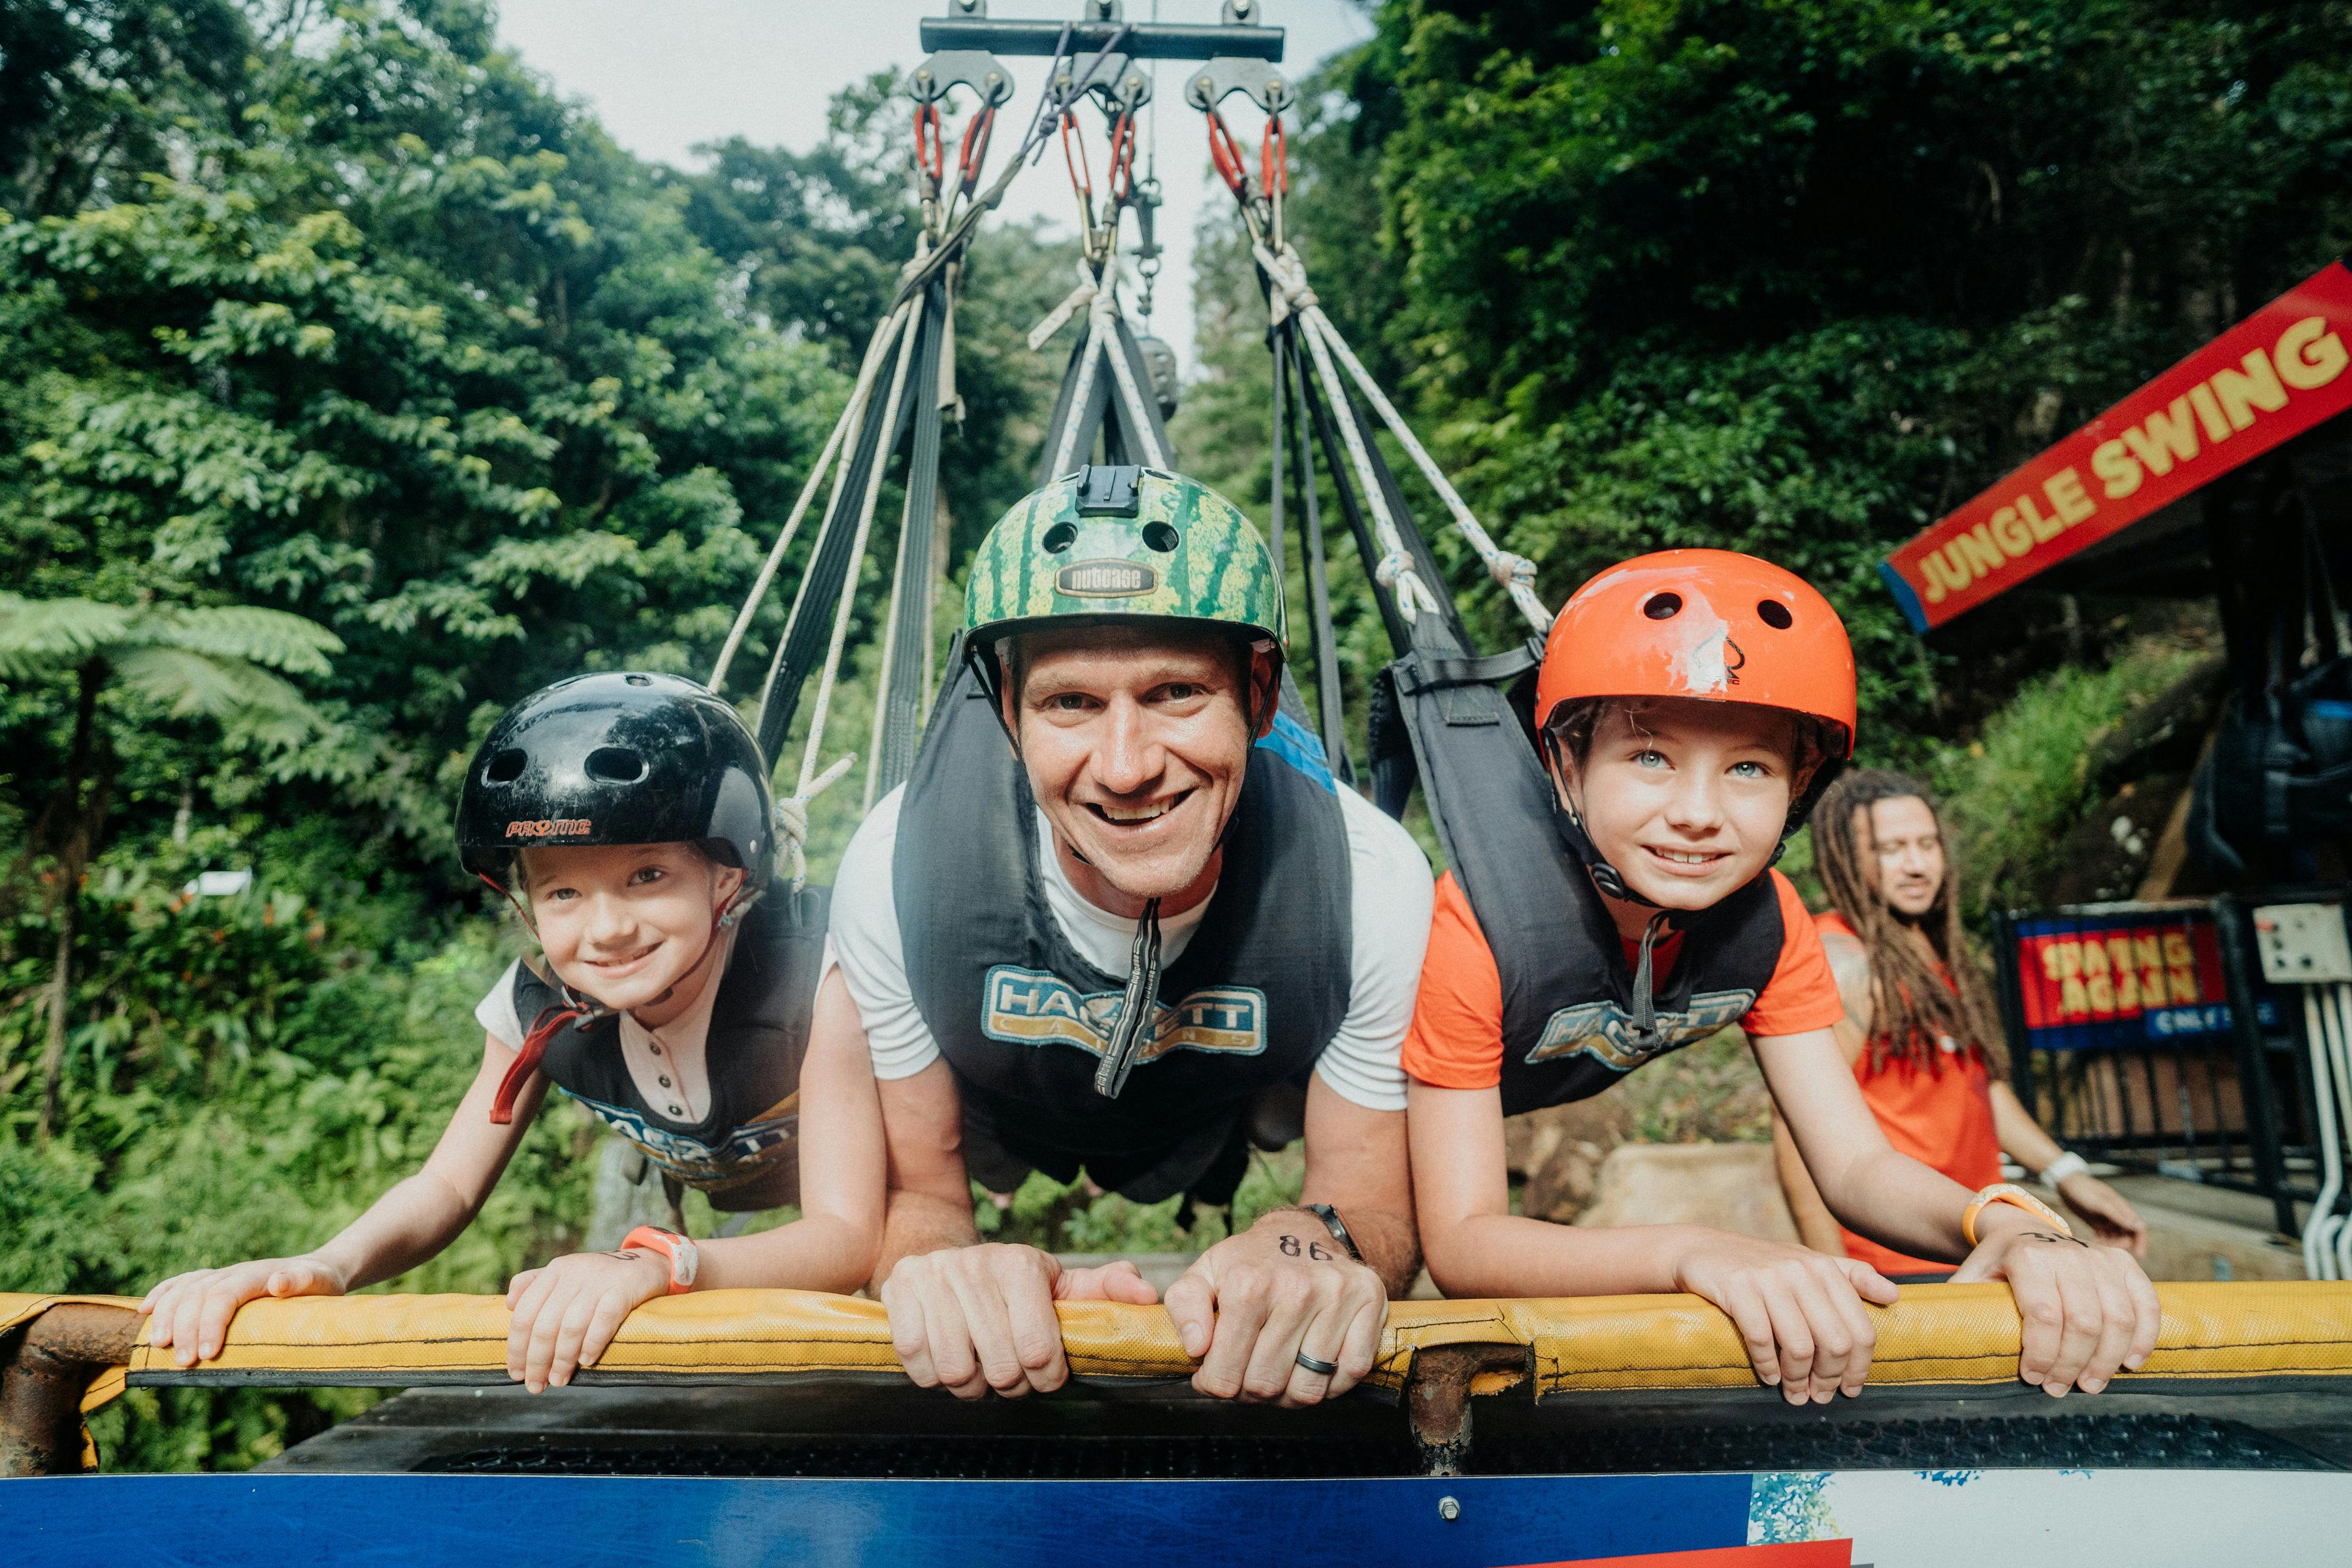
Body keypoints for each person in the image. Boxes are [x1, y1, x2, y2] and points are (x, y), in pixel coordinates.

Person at [1403, 550, 2162, 1407]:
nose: (1697, 812)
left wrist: (2007, 1222)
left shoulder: (1772, 926)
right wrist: (1692, 1250)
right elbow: (1462, 1243)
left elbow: (1858, 1169)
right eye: (1649, 757)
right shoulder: (1475, 919)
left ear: (1799, 788)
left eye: (1749, 769)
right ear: (1567, 770)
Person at [821, 465, 1433, 1407]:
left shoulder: (1368, 877)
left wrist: (1302, 1248)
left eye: (1177, 692)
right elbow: (923, 1197)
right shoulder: (901, 867)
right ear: (1008, 713)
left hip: (1218, 1113)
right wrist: (941, 1267)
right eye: (1071, 703)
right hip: (1000, 1105)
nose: (1126, 767)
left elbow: (1375, 1202)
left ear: (1260, 695)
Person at [138, 673, 885, 1393]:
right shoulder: (540, 1012)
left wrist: (662, 1266)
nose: (608, 928)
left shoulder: (817, 984)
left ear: (727, 877)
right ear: (525, 907)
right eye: (563, 891)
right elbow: (448, 1184)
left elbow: (848, 1234)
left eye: (647, 876)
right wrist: (327, 1265)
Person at [1772, 769, 2148, 1280]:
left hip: (1978, 1239)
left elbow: (1976, 1087)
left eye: (1927, 844)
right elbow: (1796, 1132)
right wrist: (1834, 1276)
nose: (1917, 864)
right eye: (1891, 848)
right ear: (1846, 857)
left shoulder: (1928, 951)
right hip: (1893, 1263)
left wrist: (2066, 1174)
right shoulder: (1841, 961)